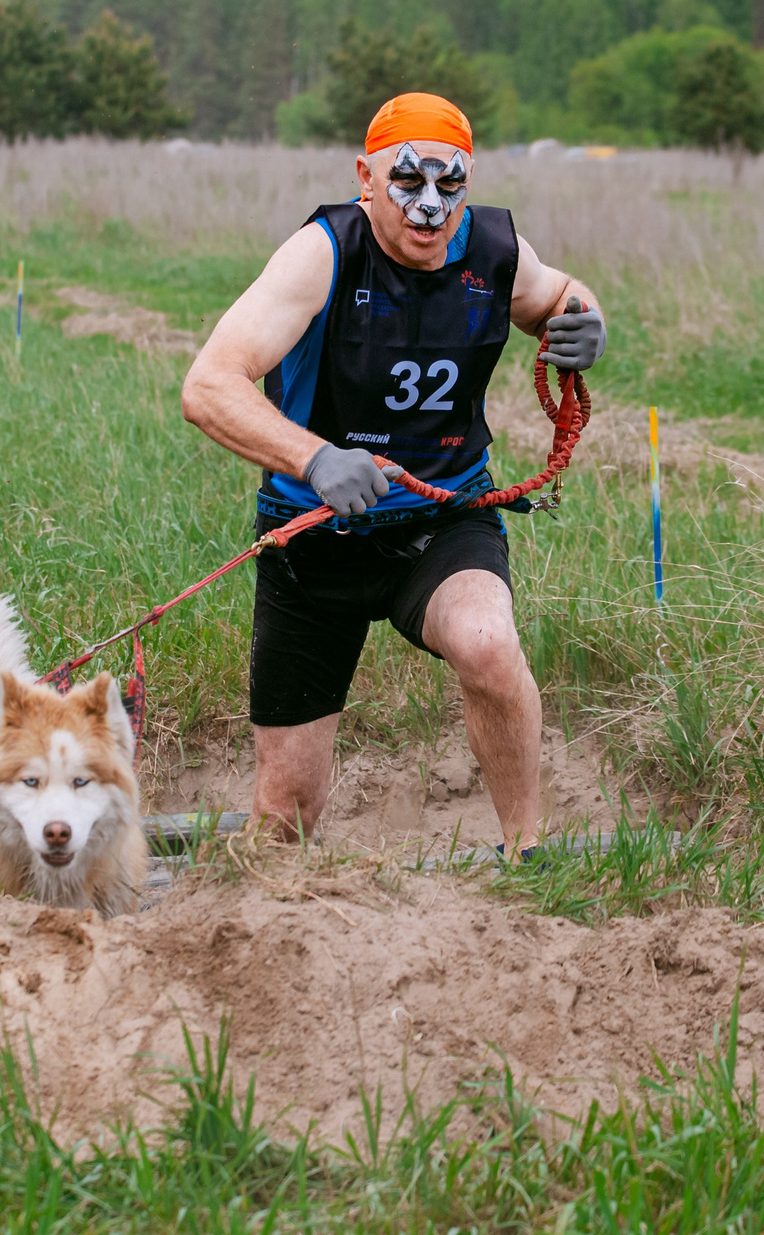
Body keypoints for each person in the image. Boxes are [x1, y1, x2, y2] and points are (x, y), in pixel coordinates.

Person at [179, 91, 608, 856]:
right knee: (285, 821)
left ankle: (530, 854)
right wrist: (314, 457)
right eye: (408, 182)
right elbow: (208, 385)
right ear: (366, 179)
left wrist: (585, 323)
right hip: (313, 538)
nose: (430, 207)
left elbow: (557, 296)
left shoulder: (494, 250)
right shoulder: (322, 251)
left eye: (451, 185)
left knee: (485, 641)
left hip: (440, 521)